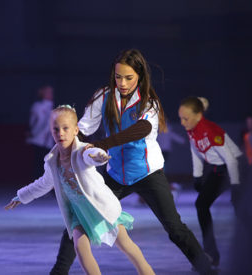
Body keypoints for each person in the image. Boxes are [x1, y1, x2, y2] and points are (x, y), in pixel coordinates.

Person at [50, 49, 217, 275]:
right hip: (116, 175)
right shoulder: (104, 96)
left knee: (175, 228)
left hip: (149, 174)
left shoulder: (149, 102)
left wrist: (104, 144)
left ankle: (207, 269)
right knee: (78, 218)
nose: (123, 82)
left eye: (129, 77)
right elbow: (81, 129)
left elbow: (142, 129)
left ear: (139, 75)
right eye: (118, 77)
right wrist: (62, 149)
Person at [5, 105, 155, 275]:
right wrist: (21, 196)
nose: (60, 133)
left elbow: (91, 155)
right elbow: (44, 183)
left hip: (99, 208)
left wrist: (98, 156)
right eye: (56, 129)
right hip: (78, 213)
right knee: (80, 247)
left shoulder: (82, 151)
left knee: (126, 245)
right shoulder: (52, 161)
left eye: (65, 128)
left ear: (76, 130)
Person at [178, 96, 243, 267]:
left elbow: (231, 159)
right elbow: (195, 151)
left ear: (199, 115)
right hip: (218, 170)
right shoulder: (192, 128)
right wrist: (197, 175)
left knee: (242, 211)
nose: (182, 123)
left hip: (235, 169)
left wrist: (236, 186)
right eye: (181, 118)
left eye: (185, 118)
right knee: (201, 205)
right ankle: (211, 254)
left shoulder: (210, 129)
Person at [26, 85, 55, 180]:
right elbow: (33, 122)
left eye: (51, 92)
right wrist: (32, 133)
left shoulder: (52, 106)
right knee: (39, 164)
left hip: (49, 140)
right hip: (38, 139)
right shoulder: (38, 106)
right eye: (48, 92)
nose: (51, 94)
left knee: (49, 165)